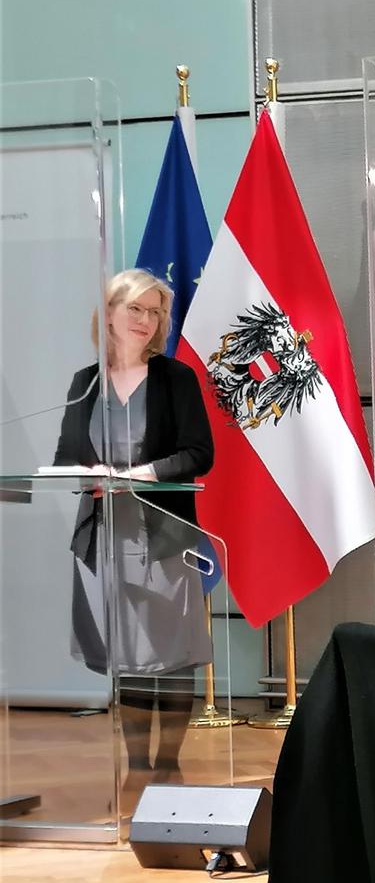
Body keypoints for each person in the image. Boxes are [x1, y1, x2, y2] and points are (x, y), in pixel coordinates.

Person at [54, 269, 215, 796]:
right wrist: (90, 475)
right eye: (135, 309)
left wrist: (141, 474)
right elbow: (66, 456)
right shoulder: (86, 382)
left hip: (163, 534)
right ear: (109, 314)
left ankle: (169, 765)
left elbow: (199, 454)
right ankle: (137, 767)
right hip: (106, 537)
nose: (147, 320)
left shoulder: (176, 378)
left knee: (172, 654)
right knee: (127, 657)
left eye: (155, 311)